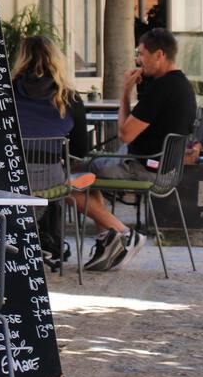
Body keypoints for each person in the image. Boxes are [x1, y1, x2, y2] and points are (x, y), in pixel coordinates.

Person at [84, 28, 198, 271]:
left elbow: (125, 134)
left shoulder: (162, 88)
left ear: (159, 55)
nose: (138, 60)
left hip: (144, 168)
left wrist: (125, 90)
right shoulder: (183, 85)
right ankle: (111, 243)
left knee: (78, 178)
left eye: (141, 53)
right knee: (87, 168)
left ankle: (120, 235)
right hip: (164, 168)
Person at [10, 35, 126, 271]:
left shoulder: (6, 94)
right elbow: (80, 150)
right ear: (56, 60)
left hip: (12, 181)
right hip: (52, 181)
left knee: (74, 178)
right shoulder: (69, 98)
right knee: (80, 176)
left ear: (21, 59)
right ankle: (112, 234)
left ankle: (109, 236)